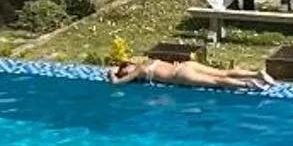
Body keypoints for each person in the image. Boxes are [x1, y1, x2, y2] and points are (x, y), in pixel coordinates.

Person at [107, 57, 271, 91]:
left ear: (130, 66)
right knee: (223, 72)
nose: (125, 73)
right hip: (185, 64)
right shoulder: (149, 61)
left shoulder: (139, 70)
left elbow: (116, 83)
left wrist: (112, 73)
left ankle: (248, 84)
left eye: (124, 70)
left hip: (180, 75)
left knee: (217, 81)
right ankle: (256, 74)